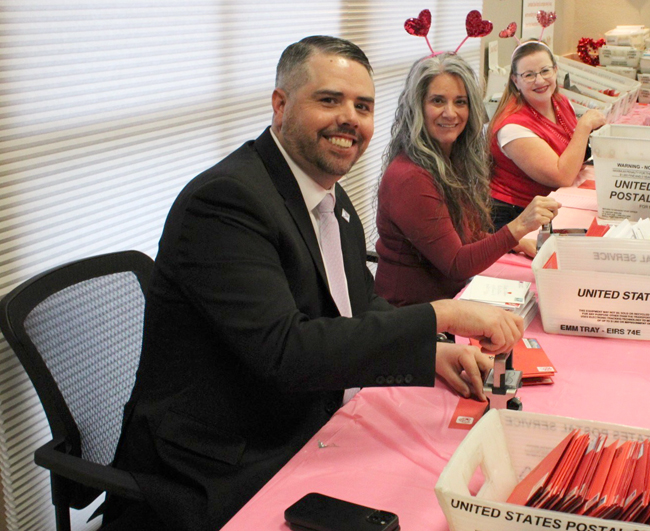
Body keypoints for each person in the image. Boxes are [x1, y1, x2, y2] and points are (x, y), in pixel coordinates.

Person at [101, 36, 523, 531]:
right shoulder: (226, 203)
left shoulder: (332, 202)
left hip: (307, 419)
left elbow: (359, 306)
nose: (350, 119)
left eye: (362, 106)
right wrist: (442, 315)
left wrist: (428, 351)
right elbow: (287, 353)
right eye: (329, 100)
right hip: (223, 460)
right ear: (279, 105)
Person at [374, 53, 560, 307]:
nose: (450, 113)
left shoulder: (451, 158)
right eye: (438, 101)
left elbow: (458, 234)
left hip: (446, 305)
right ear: (417, 107)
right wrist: (518, 227)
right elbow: (456, 264)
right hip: (411, 317)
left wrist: (514, 242)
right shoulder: (410, 177)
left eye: (460, 102)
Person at [487, 40, 607, 230]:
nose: (540, 81)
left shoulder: (559, 101)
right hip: (516, 216)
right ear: (515, 80)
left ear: (556, 70)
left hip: (550, 205)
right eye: (529, 75)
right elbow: (562, 176)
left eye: (545, 71)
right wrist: (584, 126)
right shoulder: (512, 127)